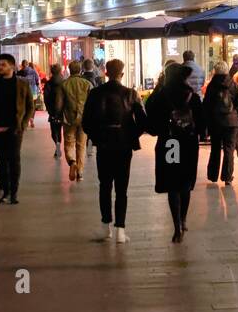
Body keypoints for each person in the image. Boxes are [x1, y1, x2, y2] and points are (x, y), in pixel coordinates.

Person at [81, 59, 146, 242]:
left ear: (105, 72)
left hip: (104, 146)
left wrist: (99, 136)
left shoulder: (95, 94)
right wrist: (130, 134)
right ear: (122, 74)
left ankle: (105, 225)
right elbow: (143, 121)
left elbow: (86, 123)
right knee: (122, 188)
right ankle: (120, 230)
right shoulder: (131, 94)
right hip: (124, 146)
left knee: (105, 185)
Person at [144, 63, 202, 243]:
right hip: (188, 143)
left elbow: (151, 122)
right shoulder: (192, 95)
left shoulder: (161, 95)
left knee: (172, 184)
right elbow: (202, 121)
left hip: (170, 143)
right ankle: (183, 219)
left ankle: (176, 226)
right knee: (185, 182)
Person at [0, 54, 35, 204]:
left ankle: (14, 192)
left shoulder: (22, 84)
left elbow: (30, 106)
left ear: (12, 66)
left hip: (15, 130)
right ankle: (5, 191)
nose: (0, 67)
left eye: (3, 64)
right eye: (0, 64)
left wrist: (23, 124)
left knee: (14, 160)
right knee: (2, 162)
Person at [203, 61, 238, 185]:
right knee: (229, 149)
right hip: (231, 122)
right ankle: (227, 177)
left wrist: (206, 123)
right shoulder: (233, 84)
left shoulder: (211, 86)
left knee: (215, 148)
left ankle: (212, 175)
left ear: (215, 71)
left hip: (215, 122)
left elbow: (206, 105)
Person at [59, 62, 91, 182]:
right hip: (83, 119)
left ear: (69, 70)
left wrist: (57, 115)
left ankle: (72, 162)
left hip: (68, 119)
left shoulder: (64, 84)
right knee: (81, 145)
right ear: (80, 70)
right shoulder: (87, 84)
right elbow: (91, 102)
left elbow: (59, 103)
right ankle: (80, 172)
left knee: (69, 143)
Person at [43, 64, 65, 159]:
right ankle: (59, 145)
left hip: (52, 112)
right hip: (63, 112)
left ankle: (57, 145)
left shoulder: (48, 83)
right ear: (60, 71)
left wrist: (49, 110)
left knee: (54, 131)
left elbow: (46, 98)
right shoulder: (64, 82)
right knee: (60, 130)